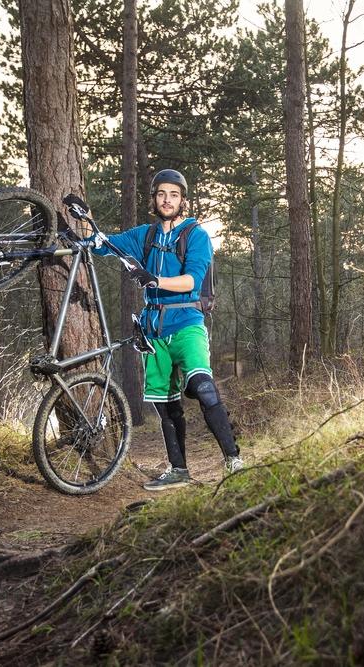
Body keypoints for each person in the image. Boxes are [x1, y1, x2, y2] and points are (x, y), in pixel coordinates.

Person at [91, 169, 243, 490]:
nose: (167, 200)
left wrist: (155, 279)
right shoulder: (144, 235)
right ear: (154, 199)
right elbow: (105, 245)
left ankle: (234, 460)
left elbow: (191, 280)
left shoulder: (195, 235)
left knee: (203, 387)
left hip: (187, 322)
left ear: (183, 200)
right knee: (166, 405)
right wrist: (84, 230)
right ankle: (179, 470)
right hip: (153, 331)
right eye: (161, 194)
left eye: (174, 195)